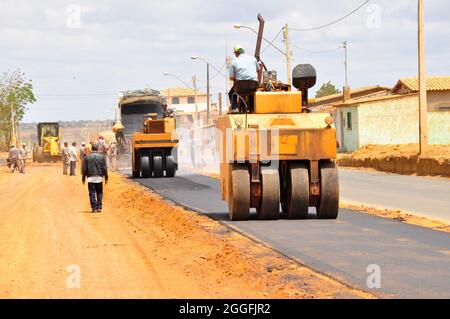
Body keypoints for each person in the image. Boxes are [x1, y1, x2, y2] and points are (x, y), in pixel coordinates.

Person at [228, 45, 261, 113]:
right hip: (253, 84)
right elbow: (258, 69)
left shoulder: (234, 62)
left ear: (236, 53)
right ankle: (252, 108)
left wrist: (237, 78)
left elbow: (231, 77)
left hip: (241, 85)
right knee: (252, 92)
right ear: (243, 52)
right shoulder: (253, 59)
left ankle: (235, 109)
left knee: (232, 93)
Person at [82, 143, 108, 213]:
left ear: (91, 149)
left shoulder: (87, 157)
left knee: (92, 193)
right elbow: (105, 168)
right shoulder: (102, 157)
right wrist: (106, 178)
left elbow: (84, 169)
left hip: (90, 178)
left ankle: (94, 208)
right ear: (98, 149)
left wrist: (83, 179)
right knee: (99, 192)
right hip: (99, 178)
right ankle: (99, 207)